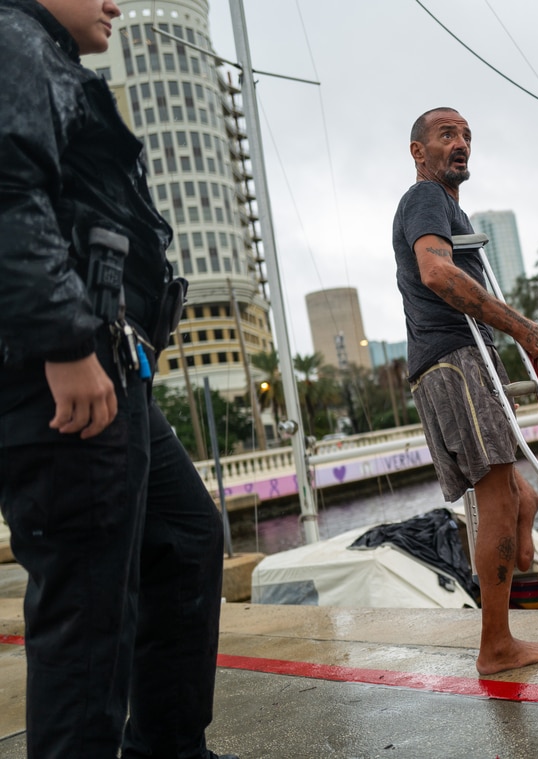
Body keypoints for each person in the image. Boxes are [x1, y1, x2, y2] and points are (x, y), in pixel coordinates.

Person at [0, 1, 235, 756]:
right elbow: (4, 188)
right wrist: (65, 342)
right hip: (65, 367)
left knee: (186, 538)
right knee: (89, 607)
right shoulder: (11, 39)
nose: (116, 2)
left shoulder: (41, 54)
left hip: (110, 360)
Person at [393, 107, 538, 675]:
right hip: (454, 361)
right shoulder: (424, 199)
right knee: (496, 498)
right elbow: (437, 274)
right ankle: (495, 646)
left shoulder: (449, 207)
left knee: (524, 498)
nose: (461, 142)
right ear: (419, 150)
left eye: (467, 134)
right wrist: (523, 328)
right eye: (447, 134)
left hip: (465, 361)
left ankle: (512, 572)